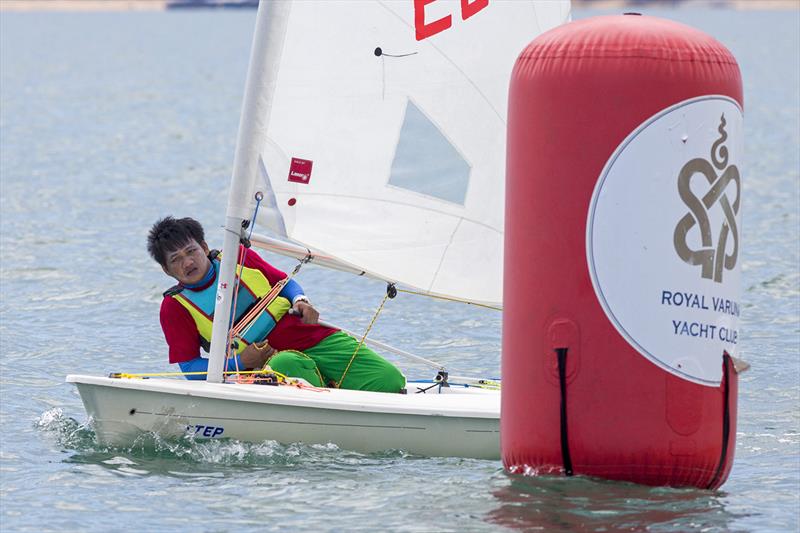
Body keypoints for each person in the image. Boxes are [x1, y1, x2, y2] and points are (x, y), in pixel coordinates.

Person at [147, 216, 405, 393]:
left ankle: (327, 382)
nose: (188, 262)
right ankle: (325, 393)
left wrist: (301, 300)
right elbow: (191, 368)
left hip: (312, 338)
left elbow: (285, 283)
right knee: (288, 366)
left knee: (390, 381)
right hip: (265, 365)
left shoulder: (237, 256)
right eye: (176, 259)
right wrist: (239, 362)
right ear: (166, 270)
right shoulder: (174, 308)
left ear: (204, 247)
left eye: (191, 251)